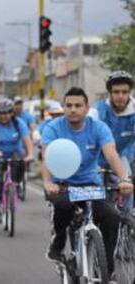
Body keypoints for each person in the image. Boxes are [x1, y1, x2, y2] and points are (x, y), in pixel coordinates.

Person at [41, 87, 133, 278]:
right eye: (69, 105)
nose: (73, 109)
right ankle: (58, 242)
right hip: (63, 185)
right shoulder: (53, 128)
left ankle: (108, 270)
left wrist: (124, 178)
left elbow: (112, 155)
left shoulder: (98, 127)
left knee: (111, 215)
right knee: (63, 206)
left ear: (86, 108)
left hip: (90, 185)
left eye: (78, 105)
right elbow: (47, 157)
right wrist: (48, 182)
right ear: (63, 108)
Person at [93, 71, 135, 210]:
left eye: (125, 92)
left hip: (123, 156)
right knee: (96, 194)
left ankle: (127, 220)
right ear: (109, 93)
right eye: (116, 92)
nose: (120, 96)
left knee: (127, 184)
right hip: (98, 158)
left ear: (130, 92)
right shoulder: (97, 111)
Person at [0, 99, 34, 224]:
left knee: (21, 163)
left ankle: (16, 185)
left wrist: (30, 154)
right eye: (1, 113)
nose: (4, 116)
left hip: (15, 153)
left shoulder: (19, 123)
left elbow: (27, 140)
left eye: (7, 113)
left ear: (12, 113)